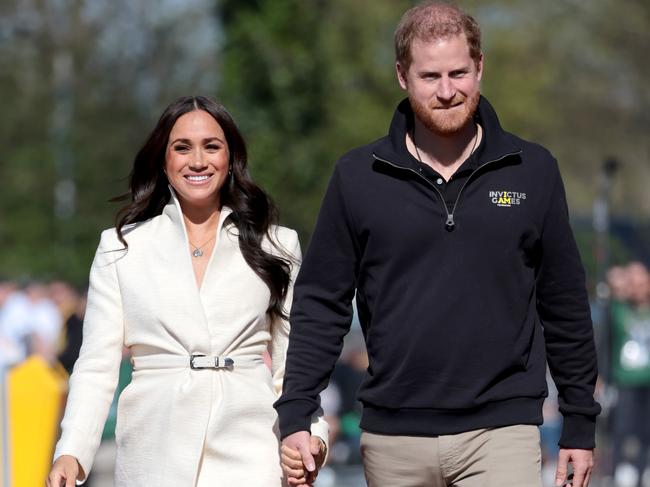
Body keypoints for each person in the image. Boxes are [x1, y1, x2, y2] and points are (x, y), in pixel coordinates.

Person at [275, 3, 600, 487]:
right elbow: (322, 301)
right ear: (402, 76)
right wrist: (298, 410)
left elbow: (565, 303)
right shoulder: (357, 176)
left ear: (480, 67)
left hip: (502, 432)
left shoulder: (532, 170)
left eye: (458, 73)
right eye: (430, 76)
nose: (447, 91)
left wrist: (578, 423)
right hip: (393, 438)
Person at [47, 96, 327, 487]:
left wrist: (312, 436)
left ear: (231, 158)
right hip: (153, 453)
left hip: (250, 451)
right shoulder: (120, 247)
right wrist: (71, 452)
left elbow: (293, 365)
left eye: (212, 146)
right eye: (182, 147)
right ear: (164, 161)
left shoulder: (276, 245)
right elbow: (96, 366)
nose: (198, 161)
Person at [609, 262, 650, 487]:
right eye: (632, 282)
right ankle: (616, 475)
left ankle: (642, 473)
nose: (637, 287)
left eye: (641, 282)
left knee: (646, 433)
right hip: (625, 380)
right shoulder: (618, 308)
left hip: (648, 381)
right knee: (621, 432)